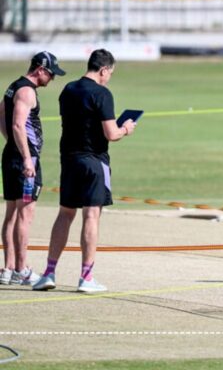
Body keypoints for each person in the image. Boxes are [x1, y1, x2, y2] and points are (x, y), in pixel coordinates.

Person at [33, 49, 136, 293]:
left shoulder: (68, 89)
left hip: (69, 159)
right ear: (103, 70)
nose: (109, 77)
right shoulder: (102, 93)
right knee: (91, 216)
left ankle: (48, 272)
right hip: (94, 161)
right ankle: (86, 277)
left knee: (65, 214)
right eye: (110, 72)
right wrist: (126, 129)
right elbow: (111, 134)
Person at [0, 52, 65, 285]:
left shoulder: (13, 86)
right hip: (25, 162)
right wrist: (27, 156)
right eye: (51, 74)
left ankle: (7, 269)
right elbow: (17, 124)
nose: (52, 79)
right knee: (25, 214)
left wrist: (13, 145)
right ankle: (21, 269)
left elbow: (1, 115)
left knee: (12, 213)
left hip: (12, 156)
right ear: (40, 70)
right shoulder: (27, 91)